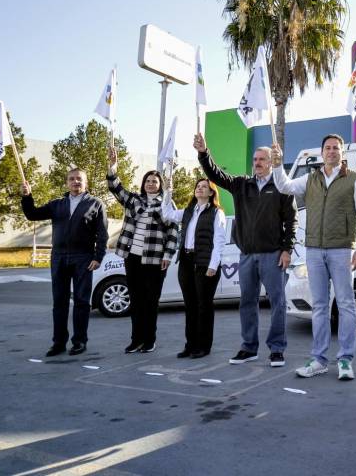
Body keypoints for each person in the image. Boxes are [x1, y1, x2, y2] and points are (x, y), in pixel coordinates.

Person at [271, 134, 356, 381]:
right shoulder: (311, 179)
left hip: (342, 250)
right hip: (314, 250)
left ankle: (346, 360)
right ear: (322, 152)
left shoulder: (354, 179)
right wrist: (276, 165)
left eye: (336, 148)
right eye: (327, 148)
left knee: (347, 305)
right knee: (319, 306)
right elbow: (284, 186)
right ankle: (319, 359)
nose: (331, 151)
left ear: (341, 152)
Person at [195, 132, 297, 367]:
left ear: (271, 162)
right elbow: (215, 174)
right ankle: (248, 348)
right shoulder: (241, 184)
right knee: (247, 303)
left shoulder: (282, 186)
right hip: (247, 256)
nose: (257, 163)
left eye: (262, 159)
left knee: (277, 303)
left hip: (273, 255)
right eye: (255, 159)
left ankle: (277, 349)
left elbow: (292, 221)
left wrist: (286, 250)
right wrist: (203, 153)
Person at [21, 168, 108, 357]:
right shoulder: (57, 204)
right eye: (72, 179)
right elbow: (32, 214)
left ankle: (79, 342)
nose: (75, 182)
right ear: (67, 183)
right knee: (59, 302)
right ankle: (58, 343)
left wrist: (98, 257)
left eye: (79, 179)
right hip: (59, 257)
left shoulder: (95, 204)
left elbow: (102, 234)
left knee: (81, 302)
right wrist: (27, 197)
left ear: (86, 183)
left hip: (83, 258)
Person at [107, 148, 179, 354]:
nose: (151, 184)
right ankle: (135, 340)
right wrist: (112, 166)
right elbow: (115, 187)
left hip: (155, 259)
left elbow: (174, 231)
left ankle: (149, 340)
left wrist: (168, 255)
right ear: (143, 183)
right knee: (136, 301)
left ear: (160, 185)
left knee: (150, 301)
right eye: (148, 180)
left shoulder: (166, 203)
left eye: (155, 181)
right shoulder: (133, 200)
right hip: (133, 258)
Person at [161, 176, 228, 359]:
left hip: (205, 264)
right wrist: (168, 192)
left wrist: (213, 266)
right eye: (198, 186)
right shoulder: (189, 211)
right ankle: (190, 345)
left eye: (204, 187)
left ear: (211, 192)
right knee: (190, 306)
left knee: (203, 306)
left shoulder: (216, 213)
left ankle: (203, 346)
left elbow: (219, 241)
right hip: (187, 261)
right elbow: (166, 214)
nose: (199, 189)